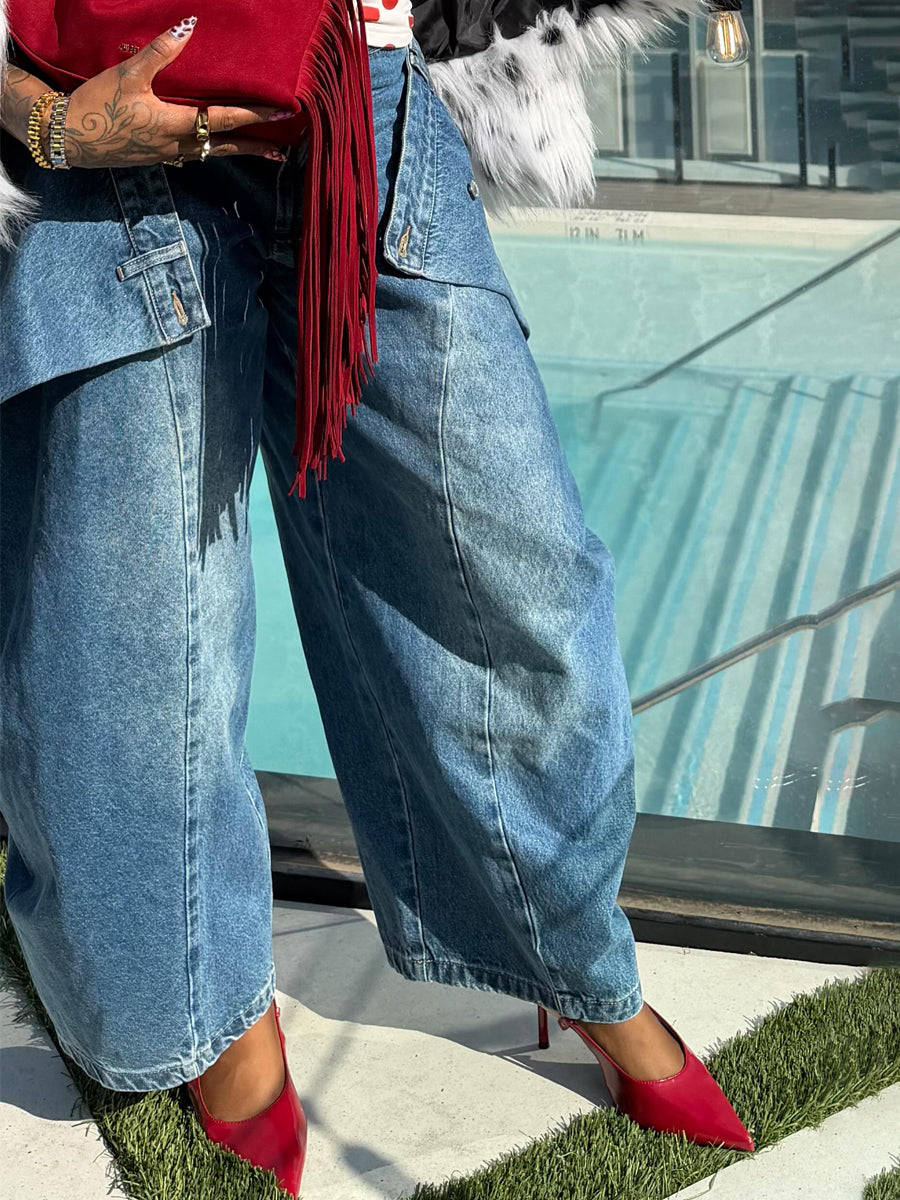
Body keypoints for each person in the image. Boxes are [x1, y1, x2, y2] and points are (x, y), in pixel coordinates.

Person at [0, 4, 753, 1195]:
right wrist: (39, 118)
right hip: (96, 124)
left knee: (514, 573)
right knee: (134, 635)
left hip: (367, 98)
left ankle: (568, 952)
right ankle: (212, 1015)